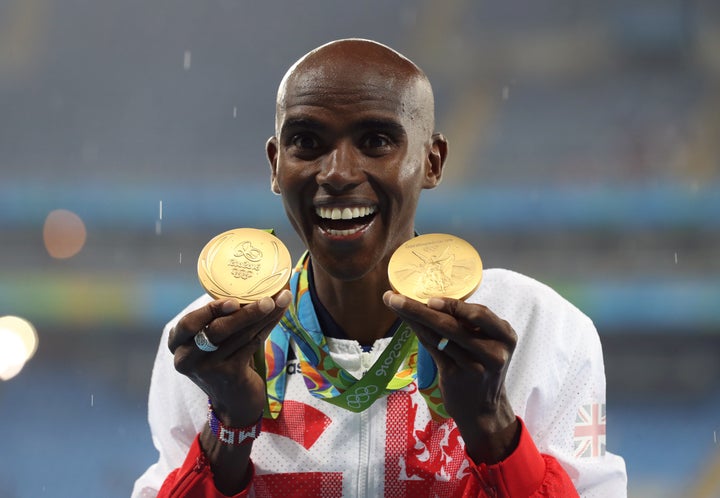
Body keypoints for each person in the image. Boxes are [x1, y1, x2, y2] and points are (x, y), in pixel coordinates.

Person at [133, 38, 627, 497]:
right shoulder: (212, 340)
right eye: (306, 141)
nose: (338, 173)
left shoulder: (542, 329)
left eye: (376, 141)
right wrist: (230, 426)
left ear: (432, 161)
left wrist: (492, 427)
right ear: (275, 163)